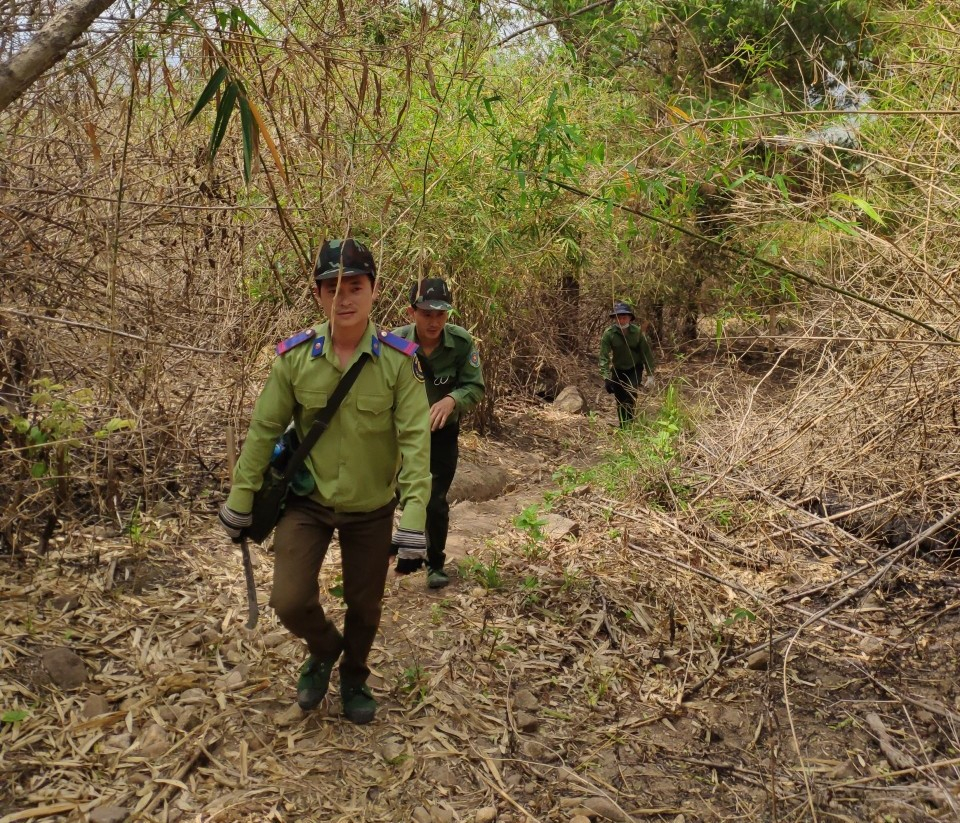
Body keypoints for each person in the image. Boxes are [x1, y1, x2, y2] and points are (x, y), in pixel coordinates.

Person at [218, 238, 431, 725]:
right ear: (317, 295)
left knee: (364, 604)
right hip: (307, 502)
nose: (344, 299)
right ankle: (323, 647)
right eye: (331, 288)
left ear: (374, 291)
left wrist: (413, 516)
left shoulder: (400, 362)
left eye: (355, 286)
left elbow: (417, 444)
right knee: (288, 600)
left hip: (371, 506)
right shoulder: (295, 357)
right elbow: (264, 430)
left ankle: (354, 674)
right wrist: (240, 497)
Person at [393, 277, 485, 589]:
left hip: (441, 435)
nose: (434, 322)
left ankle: (435, 563)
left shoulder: (459, 343)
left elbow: (474, 385)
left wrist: (452, 400)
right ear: (411, 312)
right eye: (426, 314)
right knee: (397, 496)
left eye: (441, 314)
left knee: (434, 501)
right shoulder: (393, 343)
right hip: (400, 436)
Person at [599, 301, 655, 428]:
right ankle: (623, 426)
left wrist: (650, 375)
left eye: (624, 317)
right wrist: (606, 376)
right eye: (618, 317)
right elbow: (604, 356)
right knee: (619, 398)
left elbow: (646, 354)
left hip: (634, 368)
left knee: (629, 396)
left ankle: (629, 425)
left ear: (630, 318)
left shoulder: (637, 333)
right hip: (618, 369)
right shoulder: (609, 334)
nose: (621, 320)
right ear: (614, 318)